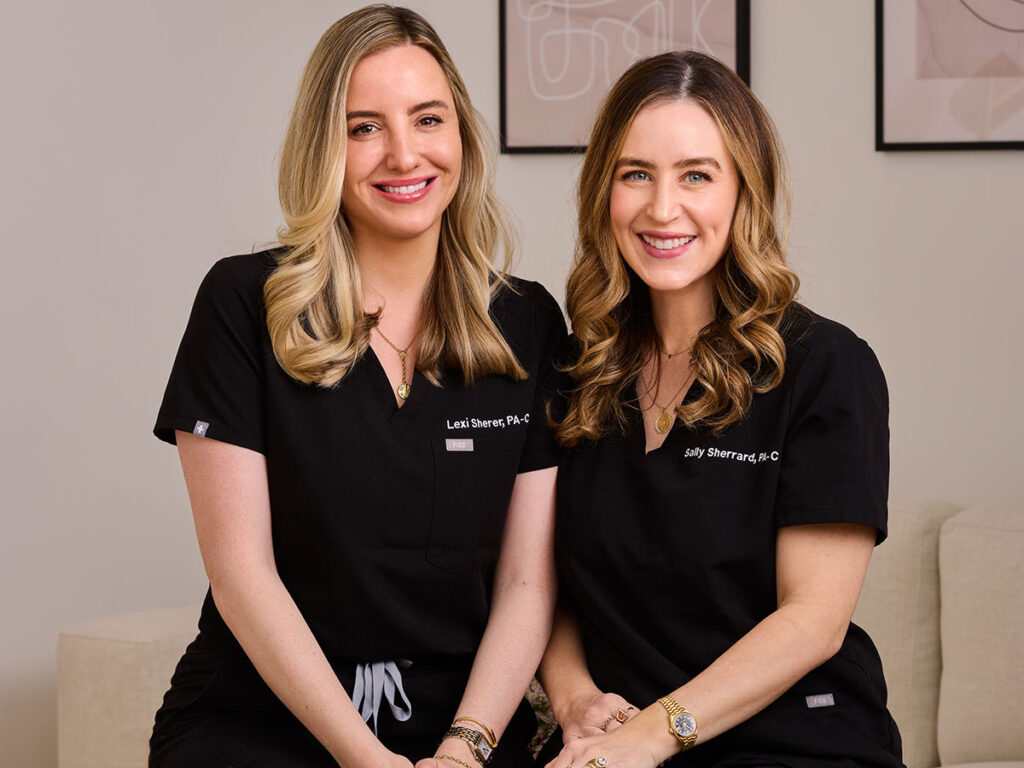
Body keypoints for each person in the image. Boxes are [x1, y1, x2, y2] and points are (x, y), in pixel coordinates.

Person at [149, 6, 565, 768]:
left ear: (462, 137)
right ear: (324, 150)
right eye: (363, 127)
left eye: (428, 119)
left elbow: (526, 581)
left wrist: (464, 750)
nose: (404, 155)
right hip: (264, 725)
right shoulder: (246, 304)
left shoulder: (528, 321)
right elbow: (243, 575)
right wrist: (365, 760)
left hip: (462, 729)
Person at [537, 51, 902, 768]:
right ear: (602, 190)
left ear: (744, 192)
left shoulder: (824, 367)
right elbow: (538, 586)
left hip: (794, 740)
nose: (662, 208)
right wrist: (576, 699)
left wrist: (652, 738)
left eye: (696, 176)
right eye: (635, 173)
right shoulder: (574, 374)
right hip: (611, 745)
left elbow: (813, 622)